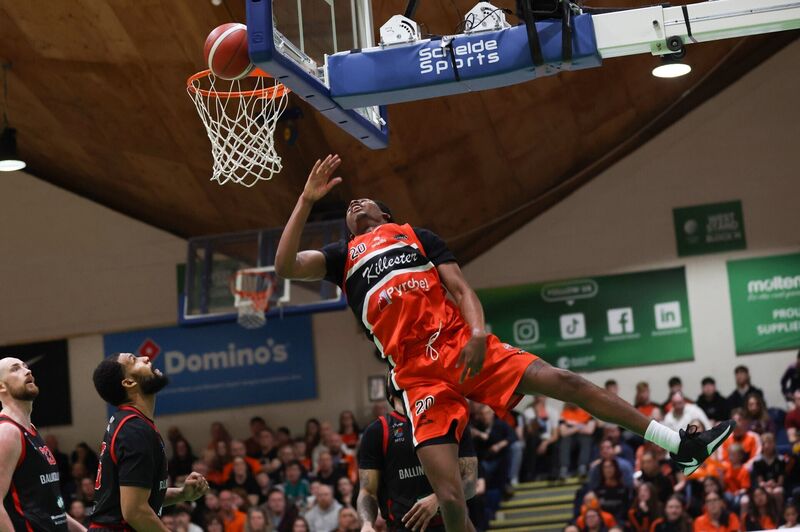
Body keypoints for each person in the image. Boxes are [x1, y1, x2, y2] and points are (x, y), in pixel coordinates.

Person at [275, 155, 736, 531]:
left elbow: (461, 290)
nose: (356, 202)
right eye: (350, 205)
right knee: (452, 497)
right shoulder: (341, 259)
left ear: (386, 216)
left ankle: (680, 446)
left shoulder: (416, 236)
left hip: (461, 344)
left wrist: (478, 332)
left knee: (565, 380)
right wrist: (306, 200)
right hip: (417, 375)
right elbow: (285, 267)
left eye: (366, 200)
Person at [91, 353, 209, 530]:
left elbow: (139, 497)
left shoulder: (132, 424)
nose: (145, 357)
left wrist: (182, 494)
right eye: (134, 360)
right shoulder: (134, 430)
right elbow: (135, 511)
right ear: (129, 382)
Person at [358, 376, 478, 532]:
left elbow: (469, 482)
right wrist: (367, 523)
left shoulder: (451, 421)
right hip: (402, 527)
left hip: (450, 524)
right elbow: (367, 491)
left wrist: (439, 498)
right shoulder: (378, 430)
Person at [0, 357, 86, 531]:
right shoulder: (7, 432)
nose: (27, 370)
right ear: (1, 386)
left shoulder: (30, 429)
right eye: (16, 369)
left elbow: (51, 511)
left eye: (26, 366)